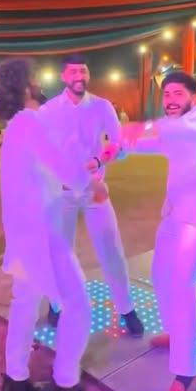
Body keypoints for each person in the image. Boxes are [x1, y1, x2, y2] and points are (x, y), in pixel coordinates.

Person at [0, 58, 109, 391]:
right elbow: (61, 165)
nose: (38, 82)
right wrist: (93, 185)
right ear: (23, 85)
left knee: (25, 302)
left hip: (24, 230)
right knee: (78, 303)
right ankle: (66, 381)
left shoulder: (17, 124)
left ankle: (16, 379)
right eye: (33, 78)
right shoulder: (28, 122)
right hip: (41, 232)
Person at [122, 70, 196, 391]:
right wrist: (113, 149)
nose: (171, 100)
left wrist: (144, 125)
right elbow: (145, 144)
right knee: (159, 276)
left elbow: (177, 131)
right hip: (174, 213)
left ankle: (187, 375)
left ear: (194, 96)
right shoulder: (173, 129)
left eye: (178, 93)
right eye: (166, 94)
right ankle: (177, 335)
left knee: (181, 283)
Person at [38, 54, 143, 337]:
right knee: (59, 252)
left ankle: (126, 308)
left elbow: (118, 143)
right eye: (73, 72)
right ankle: (57, 304)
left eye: (83, 71)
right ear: (63, 76)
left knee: (111, 250)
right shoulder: (48, 111)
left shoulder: (101, 106)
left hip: (94, 190)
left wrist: (100, 161)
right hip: (61, 192)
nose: (79, 77)